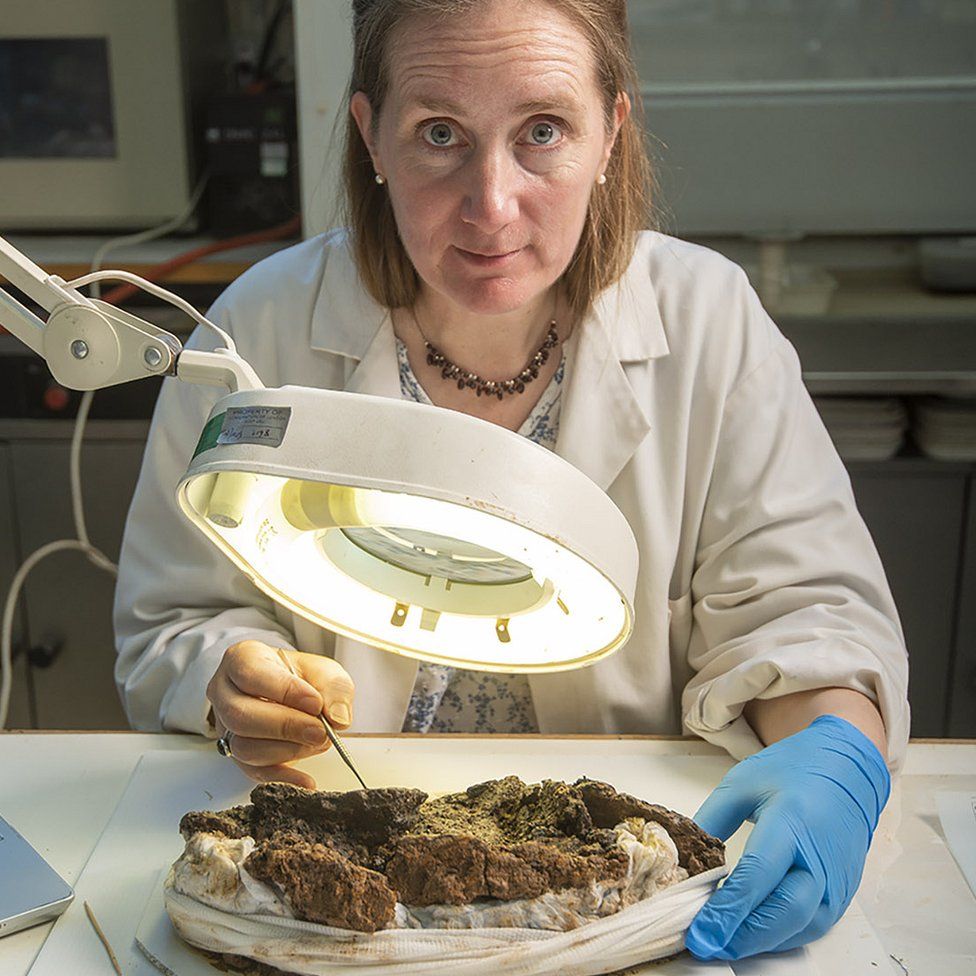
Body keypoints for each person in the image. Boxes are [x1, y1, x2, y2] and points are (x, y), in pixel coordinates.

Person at [113, 0, 909, 962]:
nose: (491, 203)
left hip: (610, 900)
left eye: (543, 131)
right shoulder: (261, 331)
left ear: (612, 130)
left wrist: (837, 761)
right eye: (439, 134)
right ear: (370, 133)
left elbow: (807, 616)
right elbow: (174, 618)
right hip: (346, 903)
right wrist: (228, 677)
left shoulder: (709, 326)